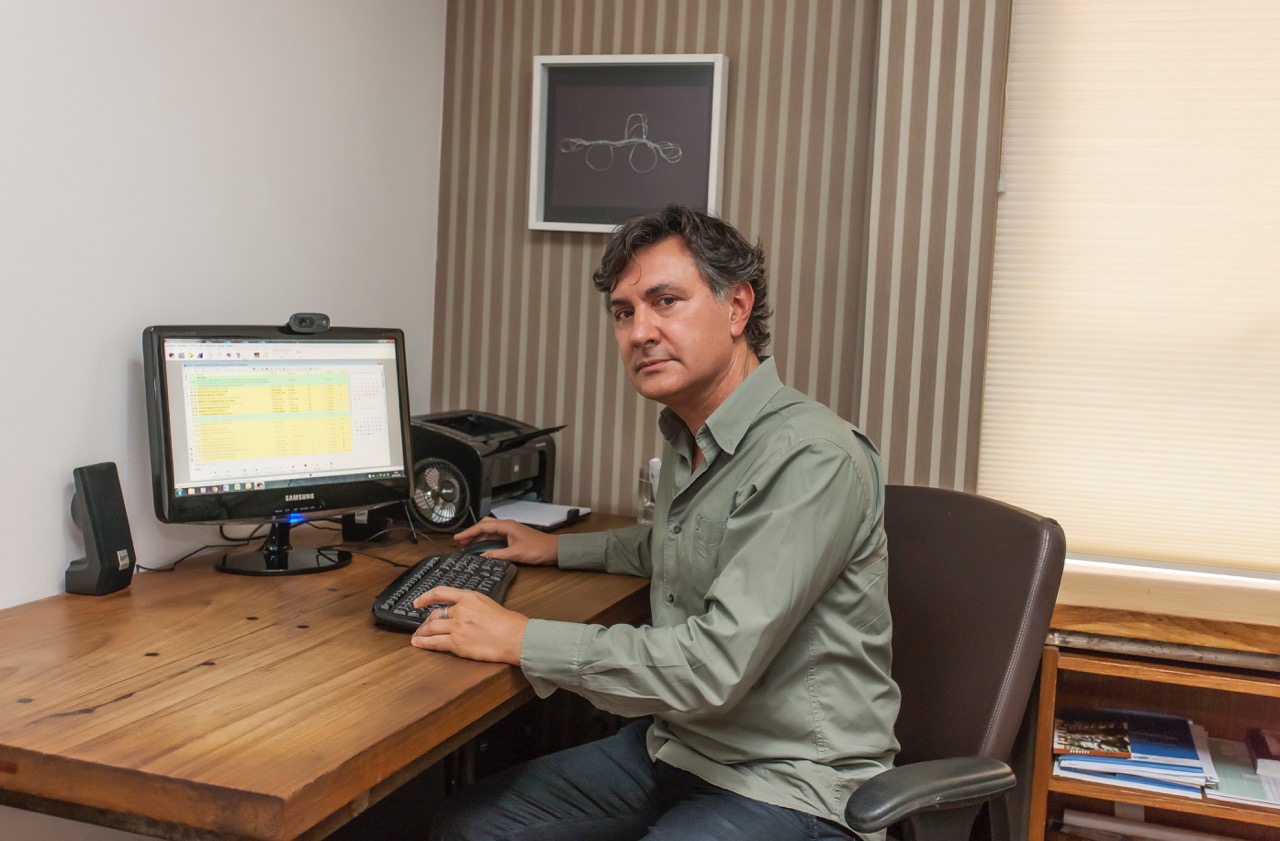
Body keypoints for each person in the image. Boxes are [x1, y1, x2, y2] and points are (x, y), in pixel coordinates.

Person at [410, 206, 900, 841]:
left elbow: (711, 668)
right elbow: (682, 544)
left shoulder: (811, 457)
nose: (640, 331)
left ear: (737, 307)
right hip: (680, 747)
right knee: (467, 827)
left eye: (666, 301)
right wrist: (556, 549)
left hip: (790, 782)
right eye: (624, 312)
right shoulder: (689, 431)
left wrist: (522, 638)